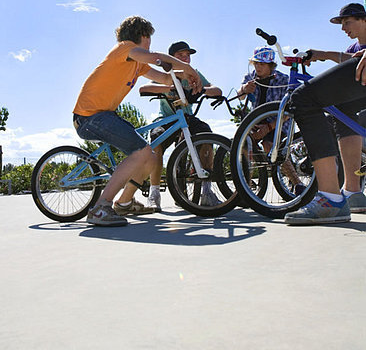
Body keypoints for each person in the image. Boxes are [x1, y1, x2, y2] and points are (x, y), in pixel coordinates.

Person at [73, 16, 201, 227]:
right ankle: (100, 207)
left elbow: (166, 79)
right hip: (90, 116)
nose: (150, 43)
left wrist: (185, 76)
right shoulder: (125, 48)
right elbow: (155, 56)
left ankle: (123, 203)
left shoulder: (137, 64)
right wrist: (190, 70)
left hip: (103, 116)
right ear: (143, 36)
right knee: (140, 152)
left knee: (149, 157)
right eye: (149, 38)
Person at [285, 0, 366, 225]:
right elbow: (348, 58)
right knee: (342, 108)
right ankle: (352, 191)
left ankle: (330, 199)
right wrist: (322, 54)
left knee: (303, 98)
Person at [139, 41, 222, 211]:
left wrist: (200, 90)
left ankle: (207, 192)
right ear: (172, 59)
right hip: (167, 118)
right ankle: (155, 194)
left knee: (206, 134)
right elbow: (144, 87)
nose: (185, 58)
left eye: (187, 56)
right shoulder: (167, 74)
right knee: (156, 142)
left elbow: (216, 90)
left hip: (187, 118)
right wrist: (170, 87)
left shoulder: (193, 75)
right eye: (180, 56)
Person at [237, 47, 304, 192]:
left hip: (278, 122)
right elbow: (240, 96)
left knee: (270, 145)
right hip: (255, 121)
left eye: (262, 64)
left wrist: (268, 127)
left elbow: (288, 111)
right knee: (244, 146)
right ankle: (245, 187)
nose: (258, 67)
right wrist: (244, 89)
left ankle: (297, 183)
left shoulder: (283, 79)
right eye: (256, 63)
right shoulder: (250, 77)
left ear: (271, 66)